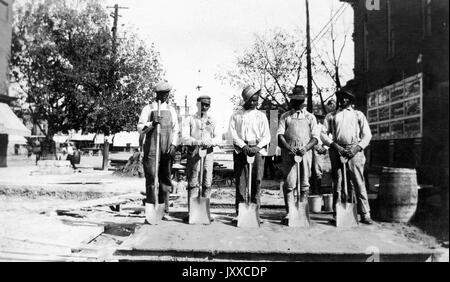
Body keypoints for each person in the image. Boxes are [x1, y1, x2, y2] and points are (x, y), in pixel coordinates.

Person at [320, 89, 373, 225]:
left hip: (355, 150)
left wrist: (356, 148)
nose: (343, 100)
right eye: (341, 98)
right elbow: (323, 134)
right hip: (337, 150)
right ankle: (337, 213)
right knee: (337, 182)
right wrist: (334, 145)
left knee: (358, 182)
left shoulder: (358, 115)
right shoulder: (331, 116)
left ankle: (365, 213)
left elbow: (367, 135)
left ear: (350, 100)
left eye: (346, 98)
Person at [137, 81, 179, 222]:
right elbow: (139, 127)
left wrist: (173, 145)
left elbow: (175, 129)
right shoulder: (148, 108)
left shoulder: (171, 110)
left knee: (165, 179)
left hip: (166, 147)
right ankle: (151, 210)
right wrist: (152, 124)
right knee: (151, 179)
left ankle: (164, 210)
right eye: (162, 94)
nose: (165, 96)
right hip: (152, 148)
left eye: (167, 94)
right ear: (157, 94)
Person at [277, 86, 319, 224]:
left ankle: (301, 211)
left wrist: (305, 148)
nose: (298, 103)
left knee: (305, 183)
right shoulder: (285, 117)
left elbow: (315, 137)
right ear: (291, 101)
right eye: (295, 100)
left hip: (305, 153)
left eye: (300, 100)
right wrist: (289, 148)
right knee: (289, 183)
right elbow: (280, 135)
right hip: (289, 154)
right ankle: (290, 212)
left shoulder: (310, 117)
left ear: (304, 101)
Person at [228, 86, 271, 223]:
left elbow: (267, 136)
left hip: (257, 150)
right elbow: (232, 134)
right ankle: (240, 213)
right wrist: (243, 145)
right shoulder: (236, 115)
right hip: (241, 150)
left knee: (256, 181)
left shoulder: (261, 116)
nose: (254, 103)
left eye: (256, 101)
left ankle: (255, 211)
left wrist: (257, 147)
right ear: (245, 100)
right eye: (251, 101)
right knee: (241, 181)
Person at [181, 95, 221, 222]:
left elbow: (219, 137)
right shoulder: (190, 119)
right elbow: (184, 136)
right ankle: (192, 212)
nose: (204, 107)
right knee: (193, 180)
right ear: (197, 104)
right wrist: (195, 141)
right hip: (194, 152)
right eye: (202, 104)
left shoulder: (212, 120)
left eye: (207, 105)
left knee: (207, 181)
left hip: (208, 152)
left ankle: (205, 211)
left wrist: (211, 141)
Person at [311, 114, 328, 194]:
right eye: (316, 117)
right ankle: (311, 190)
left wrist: (325, 147)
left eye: (319, 118)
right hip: (310, 148)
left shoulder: (322, 127)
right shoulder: (310, 126)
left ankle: (317, 191)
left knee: (318, 170)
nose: (317, 119)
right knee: (309, 171)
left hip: (319, 149)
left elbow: (329, 138)